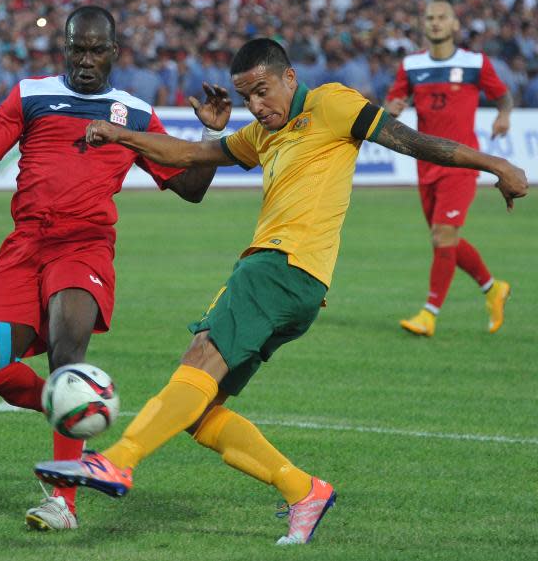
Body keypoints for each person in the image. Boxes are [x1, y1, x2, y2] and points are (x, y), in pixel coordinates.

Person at [34, 38, 528, 546]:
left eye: (263, 92)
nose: (256, 106)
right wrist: (121, 135)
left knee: (200, 358)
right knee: (201, 416)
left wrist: (498, 165)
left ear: (290, 77)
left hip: (281, 264)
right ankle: (303, 490)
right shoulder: (262, 134)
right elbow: (190, 154)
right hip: (297, 283)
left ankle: (116, 462)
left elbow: (411, 140)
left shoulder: (332, 104)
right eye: (248, 97)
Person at [0, 6, 228, 532]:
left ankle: (63, 502)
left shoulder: (135, 114)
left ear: (115, 52)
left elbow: (189, 189)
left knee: (67, 349)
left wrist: (210, 139)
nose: (86, 60)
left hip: (85, 246)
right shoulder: (31, 94)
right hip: (25, 244)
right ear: (65, 49)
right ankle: (76, 405)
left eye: (97, 50)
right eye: (77, 48)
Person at [385, 1, 515, 337]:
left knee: (443, 236)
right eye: (430, 18)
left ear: (455, 25)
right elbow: (392, 103)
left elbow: (502, 95)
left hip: (461, 162)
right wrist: (393, 107)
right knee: (444, 240)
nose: (436, 23)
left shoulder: (474, 62)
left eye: (442, 17)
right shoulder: (411, 65)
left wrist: (503, 115)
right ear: (423, 25)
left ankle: (429, 315)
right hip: (425, 162)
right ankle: (493, 288)